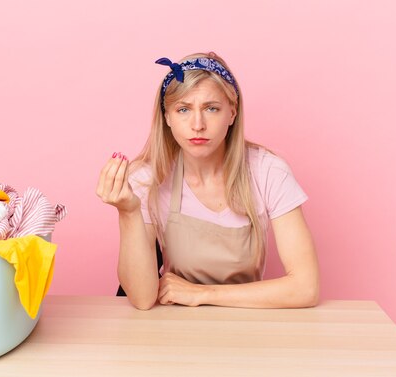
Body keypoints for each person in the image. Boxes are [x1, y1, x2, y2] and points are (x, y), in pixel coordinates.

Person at [96, 52, 319, 310]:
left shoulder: (268, 171)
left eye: (211, 108)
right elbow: (143, 299)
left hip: (249, 324)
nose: (198, 125)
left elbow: (306, 288)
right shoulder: (148, 179)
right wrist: (128, 212)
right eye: (183, 109)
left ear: (232, 113)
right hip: (174, 330)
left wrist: (201, 294)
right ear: (167, 117)